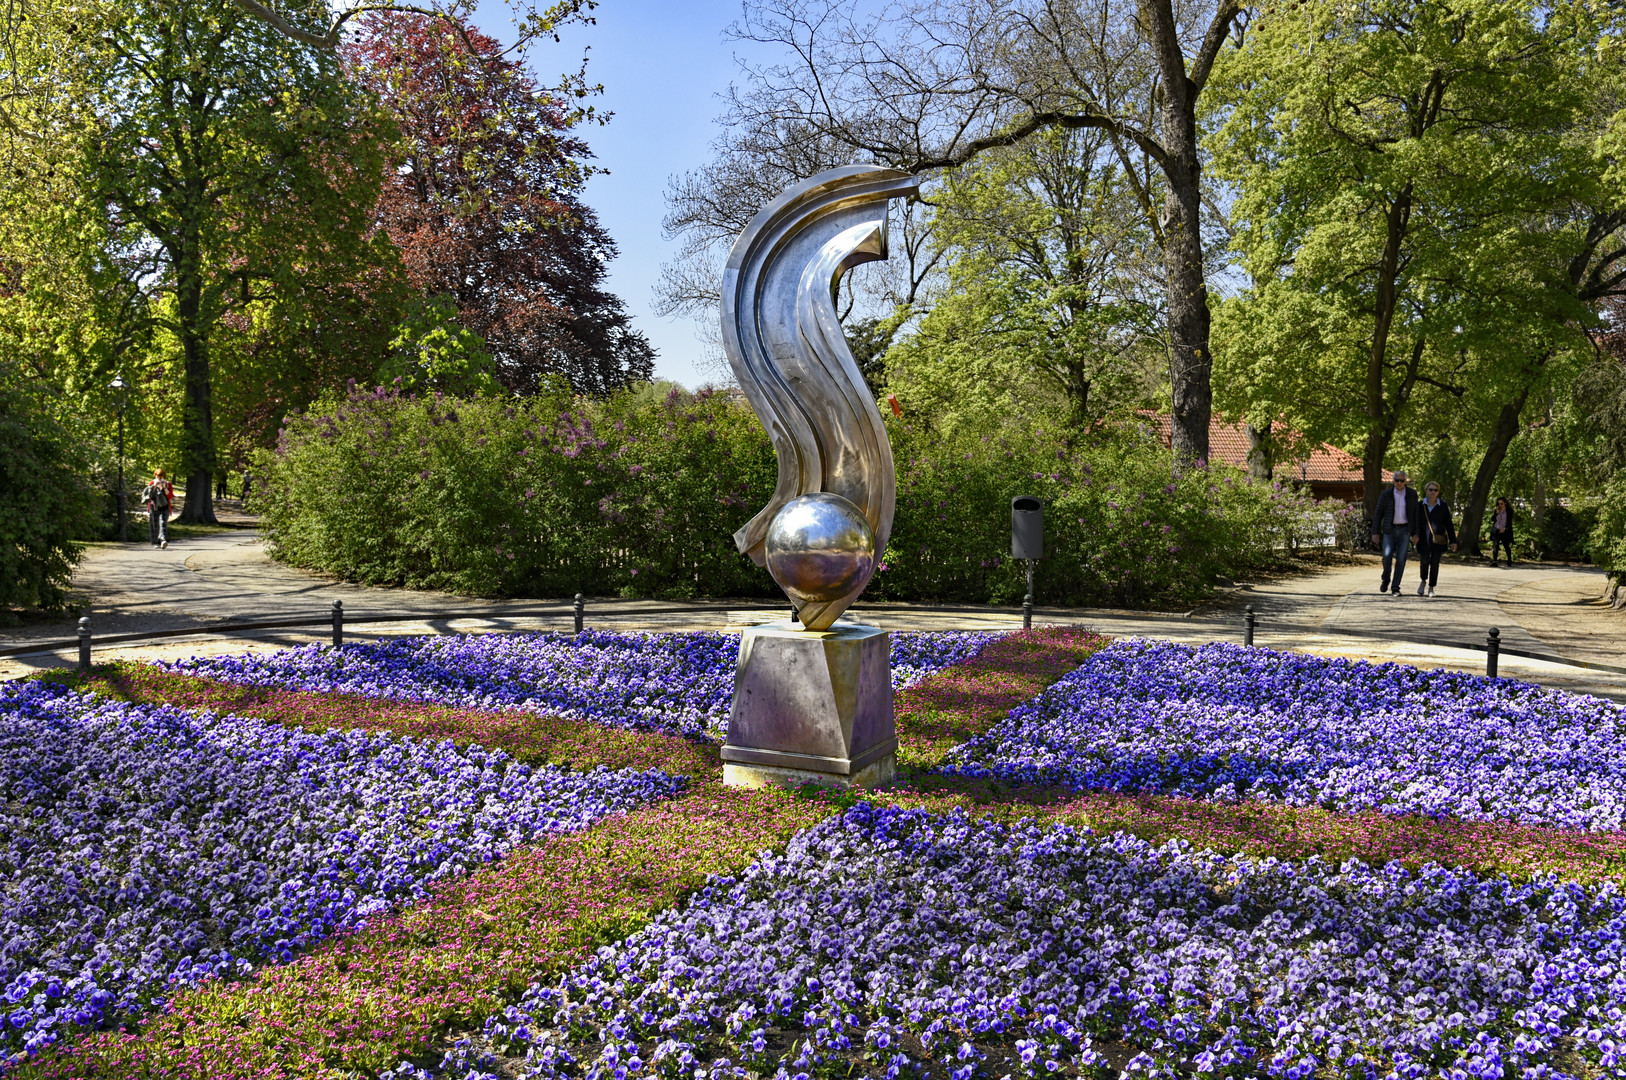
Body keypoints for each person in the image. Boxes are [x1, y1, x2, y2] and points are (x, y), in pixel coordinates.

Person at [1370, 469, 1420, 597]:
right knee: (1387, 556)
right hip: (1389, 529)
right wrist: (1375, 532)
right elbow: (1378, 514)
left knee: (1401, 559)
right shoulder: (1386, 494)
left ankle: (1395, 587)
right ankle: (1386, 578)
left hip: (1405, 530)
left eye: (1401, 481)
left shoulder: (1412, 494)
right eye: (1396, 480)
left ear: (1405, 482)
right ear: (1393, 481)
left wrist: (1416, 533)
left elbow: (1416, 514)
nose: (1399, 483)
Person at [1414, 481, 1457, 596]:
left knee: (1435, 563)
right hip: (1423, 539)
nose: (1433, 492)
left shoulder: (1442, 506)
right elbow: (1415, 522)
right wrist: (1415, 534)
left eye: (1435, 490)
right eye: (1430, 489)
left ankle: (1431, 587)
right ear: (1426, 491)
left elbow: (1449, 524)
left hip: (1438, 540)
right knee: (1424, 561)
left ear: (1438, 492)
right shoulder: (1420, 505)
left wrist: (1453, 541)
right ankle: (1423, 581)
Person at [142, 468, 173, 549]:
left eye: (162, 476)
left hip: (165, 506)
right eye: (158, 476)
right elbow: (149, 495)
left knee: (163, 523)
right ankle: (155, 542)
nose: (160, 478)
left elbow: (170, 496)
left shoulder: (168, 484)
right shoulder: (152, 483)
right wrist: (155, 486)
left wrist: (164, 488)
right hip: (154, 506)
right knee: (154, 524)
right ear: (155, 475)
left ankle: (163, 540)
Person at [1489, 497, 1515, 567]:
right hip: (1496, 529)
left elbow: (1509, 521)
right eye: (1498, 504)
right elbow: (1492, 519)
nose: (1500, 505)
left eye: (1501, 503)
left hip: (1505, 531)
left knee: (1506, 545)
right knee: (1495, 545)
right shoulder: (1497, 510)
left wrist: (1505, 528)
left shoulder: (1509, 511)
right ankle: (1494, 561)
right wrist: (1497, 513)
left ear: (1505, 503)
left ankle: (1509, 560)